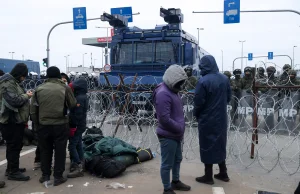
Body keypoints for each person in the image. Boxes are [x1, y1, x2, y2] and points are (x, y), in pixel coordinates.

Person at [30, 66, 76, 186]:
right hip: (60, 124)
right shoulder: (64, 88)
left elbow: (33, 109)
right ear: (58, 76)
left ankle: (45, 176)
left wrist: (37, 122)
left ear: (47, 76)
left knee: (45, 150)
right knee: (60, 151)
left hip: (43, 125)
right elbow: (72, 104)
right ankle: (58, 176)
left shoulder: (38, 89)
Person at [193, 55, 231, 185]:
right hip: (221, 118)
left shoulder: (203, 81)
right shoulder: (225, 79)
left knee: (207, 145)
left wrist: (196, 114)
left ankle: (208, 176)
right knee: (220, 144)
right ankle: (223, 172)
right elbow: (229, 97)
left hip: (207, 118)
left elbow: (198, 102)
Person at [153, 64, 191, 194]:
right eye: (179, 83)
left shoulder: (173, 90)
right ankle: (167, 188)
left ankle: (175, 181)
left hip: (176, 134)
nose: (181, 86)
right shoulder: (163, 93)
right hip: (168, 135)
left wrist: (179, 129)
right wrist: (179, 127)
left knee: (177, 159)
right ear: (171, 79)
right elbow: (164, 119)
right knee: (167, 163)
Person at [0, 63, 33, 183]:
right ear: (19, 74)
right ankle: (13, 172)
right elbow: (14, 101)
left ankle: (11, 168)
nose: (23, 79)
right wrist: (27, 96)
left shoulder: (13, 82)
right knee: (14, 146)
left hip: (14, 120)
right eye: (23, 76)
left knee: (14, 146)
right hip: (11, 121)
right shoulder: (8, 83)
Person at [67, 78, 88, 178]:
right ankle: (82, 163)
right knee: (78, 144)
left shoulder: (79, 98)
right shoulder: (83, 96)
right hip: (81, 125)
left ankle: (78, 166)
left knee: (72, 146)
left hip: (77, 125)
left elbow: (78, 114)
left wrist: (73, 125)